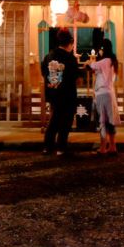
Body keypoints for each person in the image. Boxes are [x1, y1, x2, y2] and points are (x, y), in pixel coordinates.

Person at [41, 28, 79, 156]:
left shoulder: (49, 56)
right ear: (69, 43)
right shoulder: (70, 58)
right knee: (65, 121)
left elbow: (43, 72)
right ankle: (61, 148)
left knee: (54, 120)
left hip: (53, 92)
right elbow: (75, 75)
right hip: (67, 94)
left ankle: (47, 146)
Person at [88, 38, 120, 155]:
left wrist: (89, 63)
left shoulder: (103, 61)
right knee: (110, 122)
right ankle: (112, 146)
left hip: (102, 94)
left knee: (102, 122)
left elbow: (89, 66)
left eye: (101, 49)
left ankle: (102, 148)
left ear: (103, 49)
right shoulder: (113, 61)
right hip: (110, 93)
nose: (99, 52)